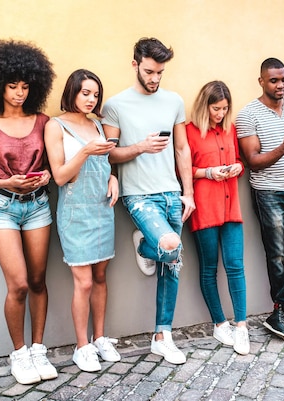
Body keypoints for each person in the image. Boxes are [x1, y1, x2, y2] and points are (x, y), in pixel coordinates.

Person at [0, 39, 57, 384]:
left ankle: (38, 349)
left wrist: (46, 174)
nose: (19, 93)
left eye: (25, 86)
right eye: (12, 86)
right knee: (18, 284)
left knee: (38, 281)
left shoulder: (43, 121)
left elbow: (53, 163)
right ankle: (18, 354)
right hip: (2, 208)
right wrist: (9, 183)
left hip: (37, 206)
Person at [101, 37, 195, 365]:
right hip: (138, 195)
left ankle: (162, 336)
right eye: (150, 71)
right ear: (135, 65)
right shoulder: (115, 105)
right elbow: (109, 153)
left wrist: (189, 193)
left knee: (173, 263)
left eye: (160, 73)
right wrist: (140, 147)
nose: (155, 79)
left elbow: (182, 149)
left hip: (171, 192)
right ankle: (146, 244)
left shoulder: (173, 101)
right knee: (170, 246)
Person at [44, 69, 121, 372]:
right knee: (84, 282)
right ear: (72, 92)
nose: (91, 99)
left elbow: (106, 166)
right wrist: (86, 151)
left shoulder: (99, 126)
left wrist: (113, 179)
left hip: (102, 209)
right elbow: (61, 176)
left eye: (96, 95)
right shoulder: (55, 126)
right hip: (75, 213)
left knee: (101, 277)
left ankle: (100, 337)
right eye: (85, 93)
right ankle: (82, 346)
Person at [236, 58, 284, 340]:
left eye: (283, 79)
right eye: (273, 80)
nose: (280, 85)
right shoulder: (248, 115)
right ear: (261, 81)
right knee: (277, 256)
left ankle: (280, 310)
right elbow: (253, 162)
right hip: (268, 193)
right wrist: (283, 148)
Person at [186, 81, 250, 355]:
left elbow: (239, 160)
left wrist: (237, 166)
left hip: (231, 207)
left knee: (236, 265)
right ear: (204, 105)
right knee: (209, 268)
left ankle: (242, 325)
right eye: (216, 108)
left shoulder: (230, 129)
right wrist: (207, 173)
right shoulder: (188, 132)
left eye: (225, 108)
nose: (221, 113)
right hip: (205, 208)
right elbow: (182, 169)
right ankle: (219, 322)